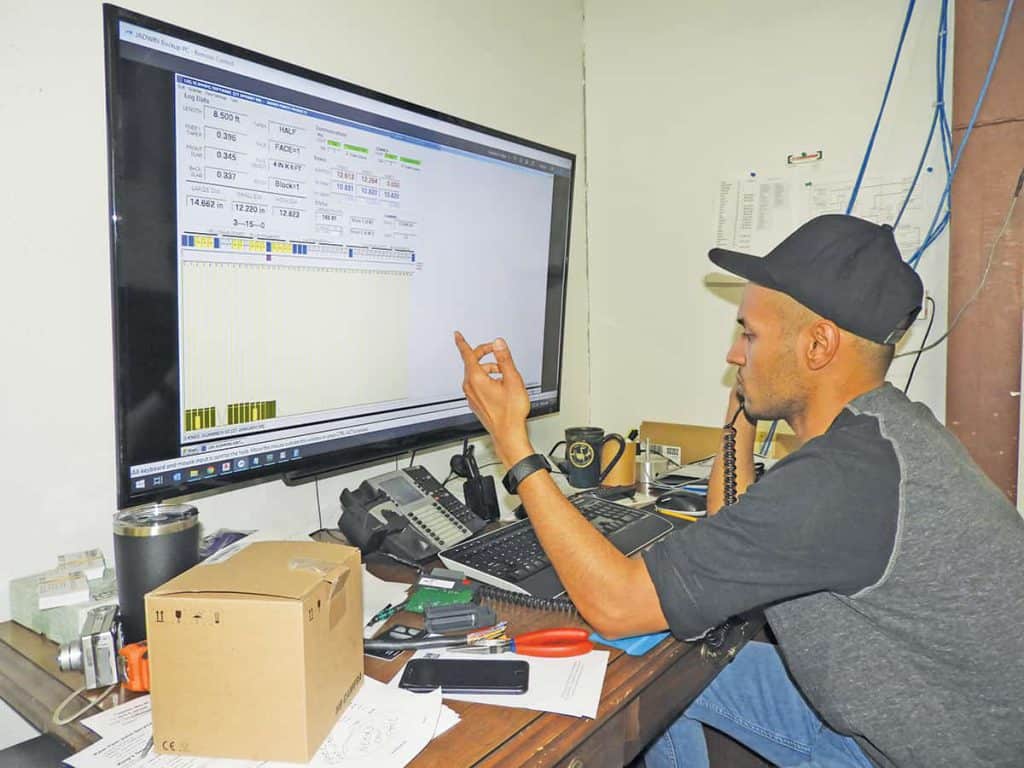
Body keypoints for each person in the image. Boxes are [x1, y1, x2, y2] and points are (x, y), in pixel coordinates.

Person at [454, 214, 1024, 768]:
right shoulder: (885, 432)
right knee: (667, 684)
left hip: (899, 755)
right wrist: (741, 416)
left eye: (749, 334)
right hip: (883, 723)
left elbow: (617, 606)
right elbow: (740, 520)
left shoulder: (837, 483)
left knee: (634, 670)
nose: (733, 354)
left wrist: (515, 445)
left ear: (818, 345)